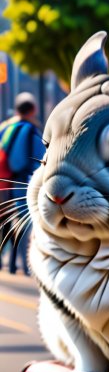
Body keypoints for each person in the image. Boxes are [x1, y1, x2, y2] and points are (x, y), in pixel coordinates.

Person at [0, 92, 45, 275]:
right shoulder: (30, 130)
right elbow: (39, 159)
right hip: (22, 182)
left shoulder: (5, 127)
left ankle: (11, 264)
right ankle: (26, 266)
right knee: (25, 223)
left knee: (8, 222)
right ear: (33, 109)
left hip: (4, 182)